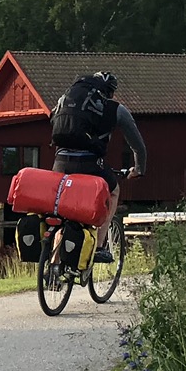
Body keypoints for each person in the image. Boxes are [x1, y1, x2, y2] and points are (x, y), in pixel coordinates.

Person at [50, 72, 146, 262]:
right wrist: (138, 169)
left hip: (60, 162)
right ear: (110, 92)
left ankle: (53, 266)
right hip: (89, 163)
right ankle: (100, 247)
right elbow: (138, 146)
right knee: (113, 191)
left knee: (62, 210)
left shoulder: (65, 101)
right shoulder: (115, 109)